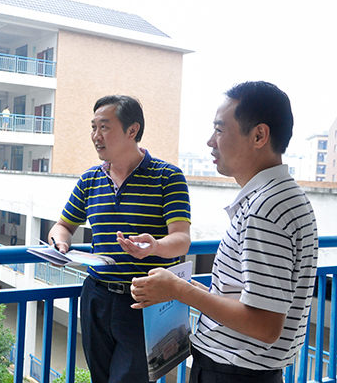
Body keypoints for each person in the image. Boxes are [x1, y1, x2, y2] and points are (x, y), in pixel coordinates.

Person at [130, 81, 318, 383]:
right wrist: (185, 290)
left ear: (259, 135)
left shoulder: (264, 209)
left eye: (219, 129)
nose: (210, 141)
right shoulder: (285, 196)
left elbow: (264, 324)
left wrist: (179, 290)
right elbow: (252, 301)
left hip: (233, 373)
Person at [48, 95, 191, 383]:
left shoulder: (168, 177)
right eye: (93, 127)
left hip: (145, 300)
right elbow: (62, 226)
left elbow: (181, 239)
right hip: (96, 297)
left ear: (132, 130)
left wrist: (155, 246)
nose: (95, 136)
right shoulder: (90, 179)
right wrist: (59, 244)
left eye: (104, 127)